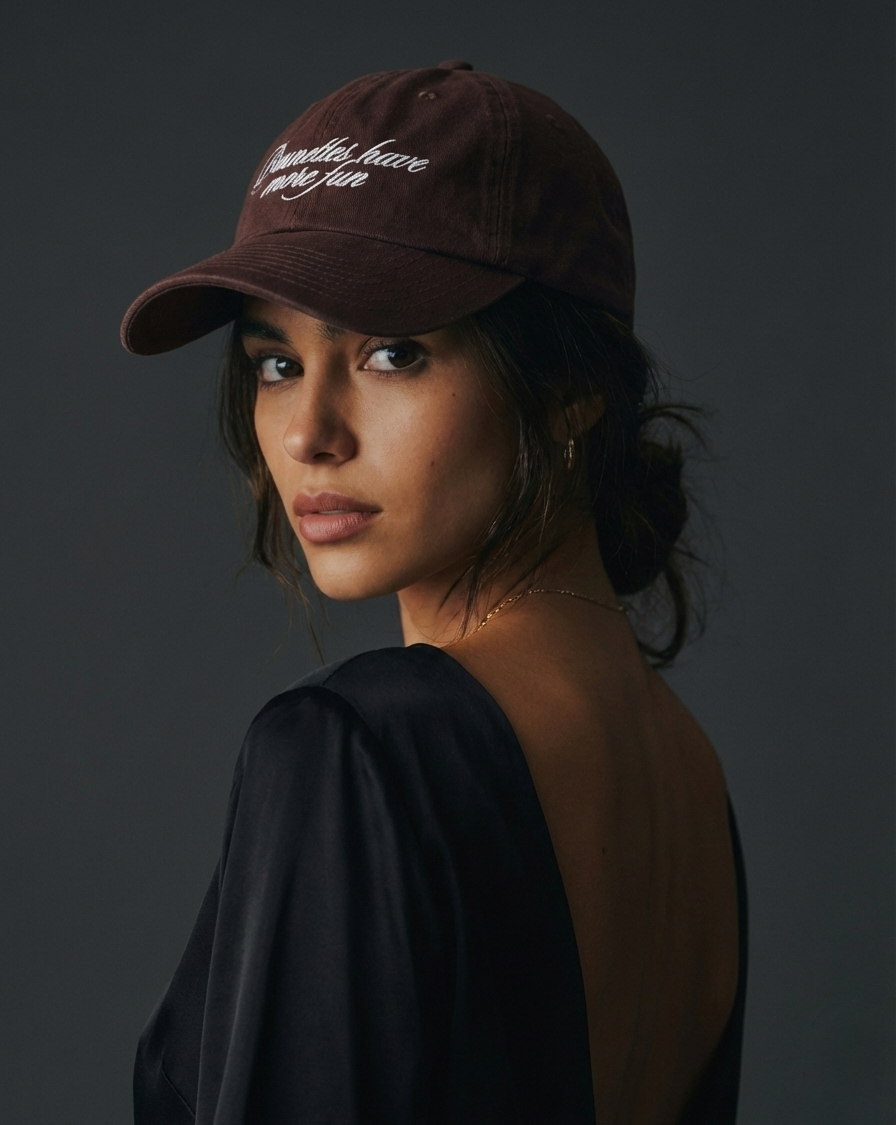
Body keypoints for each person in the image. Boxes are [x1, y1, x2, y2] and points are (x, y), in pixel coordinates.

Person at [121, 60, 747, 1125]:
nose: (310, 433)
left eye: (391, 353)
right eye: (275, 364)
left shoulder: (354, 750)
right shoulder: (688, 774)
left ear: (570, 389)